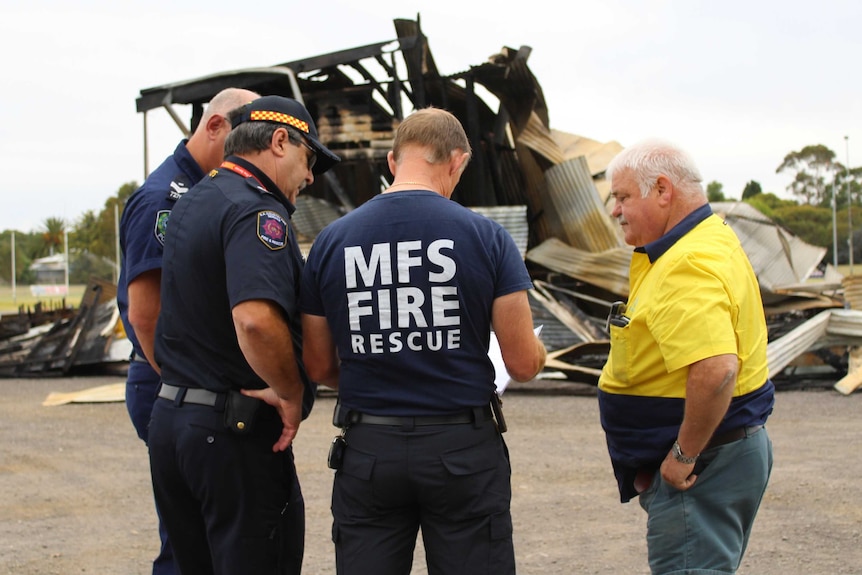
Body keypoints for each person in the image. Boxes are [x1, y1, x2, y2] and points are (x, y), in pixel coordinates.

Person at [299, 106, 547, 575]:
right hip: (461, 448)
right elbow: (522, 362)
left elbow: (317, 364)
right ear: (456, 162)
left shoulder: (331, 242)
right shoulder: (488, 238)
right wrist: (539, 351)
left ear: (392, 163)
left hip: (370, 447)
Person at [147, 94, 340, 575]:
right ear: (279, 141)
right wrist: (291, 392)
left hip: (174, 424)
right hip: (231, 436)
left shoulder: (192, 201)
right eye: (308, 157)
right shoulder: (257, 212)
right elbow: (254, 318)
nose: (310, 175)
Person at [598, 138, 775, 575]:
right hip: (722, 454)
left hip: (706, 464)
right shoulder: (706, 241)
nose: (615, 211)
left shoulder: (687, 262)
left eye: (622, 197)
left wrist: (681, 456)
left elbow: (716, 370)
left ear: (662, 190)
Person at [116, 86, 259, 575]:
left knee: (210, 533)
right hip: (168, 380)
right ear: (214, 126)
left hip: (187, 382)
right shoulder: (164, 196)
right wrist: (187, 384)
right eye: (242, 140)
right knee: (188, 541)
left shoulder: (209, 191)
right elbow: (146, 314)